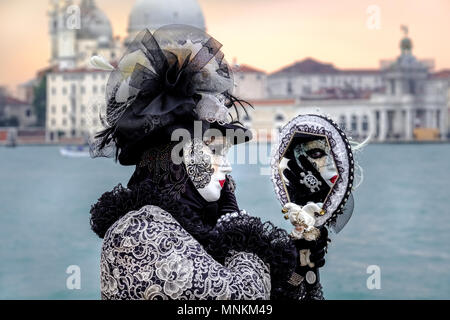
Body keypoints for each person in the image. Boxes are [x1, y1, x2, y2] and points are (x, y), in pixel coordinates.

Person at [89, 25, 327, 300]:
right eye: (213, 151)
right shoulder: (136, 232)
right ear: (172, 155)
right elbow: (244, 300)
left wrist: (301, 268)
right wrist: (239, 229)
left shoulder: (205, 226)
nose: (225, 166)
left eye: (224, 154)